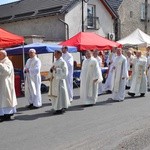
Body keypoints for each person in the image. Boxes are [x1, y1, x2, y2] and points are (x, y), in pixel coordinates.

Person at [48, 50, 70, 114]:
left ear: (60, 54)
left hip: (60, 81)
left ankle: (60, 108)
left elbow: (65, 72)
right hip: (55, 80)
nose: (55, 55)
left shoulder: (63, 62)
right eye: (54, 54)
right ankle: (56, 107)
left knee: (60, 95)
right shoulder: (55, 62)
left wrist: (56, 70)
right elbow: (51, 70)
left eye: (56, 54)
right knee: (56, 95)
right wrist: (51, 70)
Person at [0, 50, 17, 122]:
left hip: (6, 84)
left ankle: (7, 114)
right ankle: (3, 114)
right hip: (2, 83)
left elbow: (6, 72)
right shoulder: (2, 61)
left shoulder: (8, 62)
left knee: (5, 98)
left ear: (4, 55)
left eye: (0, 54)